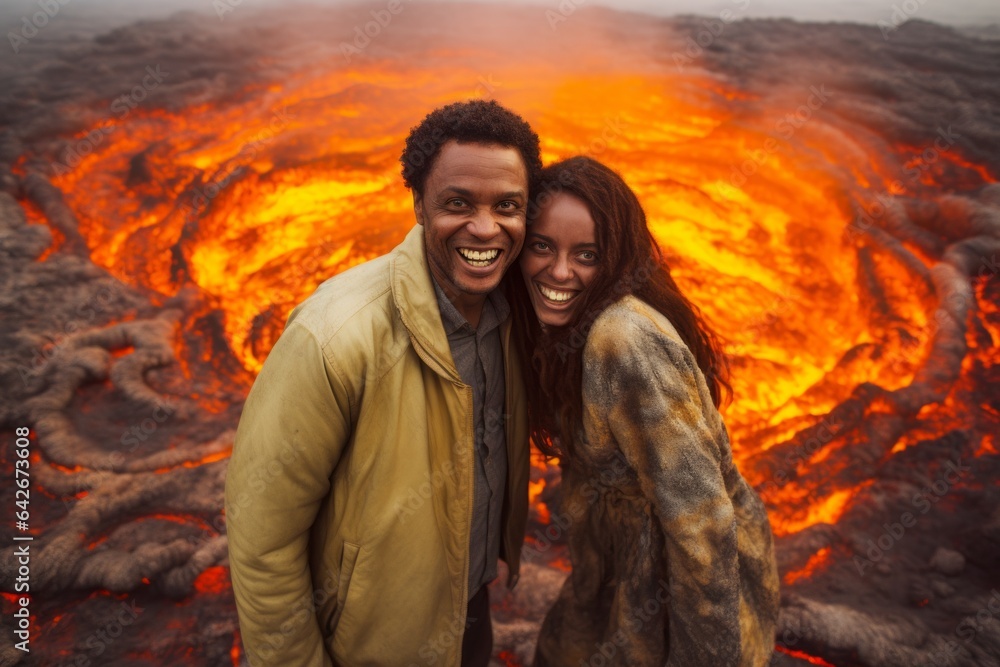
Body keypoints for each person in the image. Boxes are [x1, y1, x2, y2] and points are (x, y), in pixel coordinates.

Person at [224, 99, 542, 667]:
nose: (486, 227)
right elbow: (261, 538)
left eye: (507, 206)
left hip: (469, 605)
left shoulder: (517, 312)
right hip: (368, 642)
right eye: (457, 203)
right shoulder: (334, 338)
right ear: (419, 205)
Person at [507, 156, 780, 666]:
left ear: (613, 260)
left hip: (682, 578)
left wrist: (704, 657)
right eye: (543, 246)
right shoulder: (561, 326)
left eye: (585, 254)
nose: (559, 271)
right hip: (618, 561)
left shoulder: (622, 341)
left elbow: (702, 523)